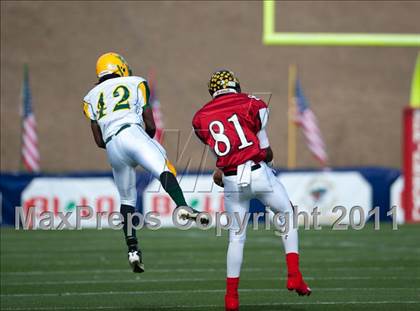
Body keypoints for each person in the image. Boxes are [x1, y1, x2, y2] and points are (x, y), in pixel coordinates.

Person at [192, 69, 311, 311]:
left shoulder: (201, 117)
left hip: (232, 180)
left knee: (236, 238)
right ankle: (294, 275)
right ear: (235, 84)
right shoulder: (252, 103)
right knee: (287, 214)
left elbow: (223, 150)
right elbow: (266, 152)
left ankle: (231, 298)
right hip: (257, 172)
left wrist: (223, 169)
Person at [83, 52, 207, 273]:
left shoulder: (90, 97)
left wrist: (117, 144)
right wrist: (143, 141)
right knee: (163, 166)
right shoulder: (135, 82)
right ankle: (182, 206)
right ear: (120, 67)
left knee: (127, 200)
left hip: (112, 146)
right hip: (132, 133)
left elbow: (98, 140)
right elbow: (150, 124)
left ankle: (132, 249)